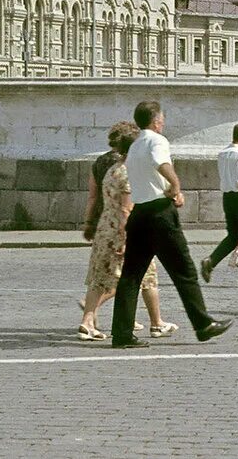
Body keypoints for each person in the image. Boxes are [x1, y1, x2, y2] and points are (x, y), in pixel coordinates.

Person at [110, 101, 231, 349]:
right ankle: (203, 324)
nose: (163, 121)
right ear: (155, 120)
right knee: (184, 271)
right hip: (159, 214)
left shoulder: (133, 147)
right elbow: (161, 164)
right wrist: (175, 186)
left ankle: (122, 333)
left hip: (139, 213)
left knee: (131, 276)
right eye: (162, 118)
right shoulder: (156, 141)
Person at [78, 122, 177, 342]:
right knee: (147, 276)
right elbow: (126, 209)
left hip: (105, 228)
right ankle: (156, 323)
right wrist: (125, 237)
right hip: (125, 232)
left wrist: (88, 224)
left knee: (99, 278)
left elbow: (96, 197)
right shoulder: (128, 172)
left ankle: (87, 322)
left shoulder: (110, 169)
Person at [201, 122, 238, 288]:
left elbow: (232, 172)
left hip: (227, 198)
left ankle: (210, 261)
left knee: (234, 235)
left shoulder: (223, 153)